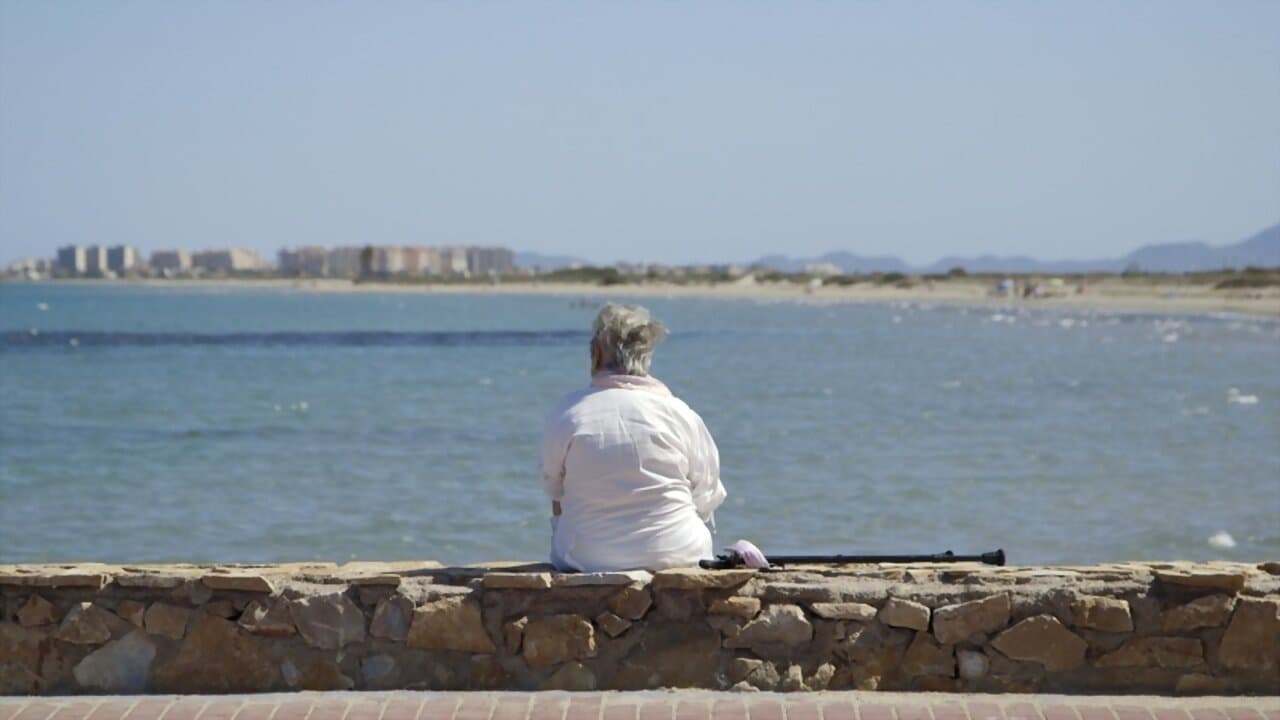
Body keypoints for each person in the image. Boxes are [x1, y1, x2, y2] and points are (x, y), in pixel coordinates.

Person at [539, 303, 727, 572]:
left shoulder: (569, 411)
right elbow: (707, 493)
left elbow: (552, 486)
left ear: (596, 354)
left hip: (585, 558)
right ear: (647, 357)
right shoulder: (679, 413)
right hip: (680, 552)